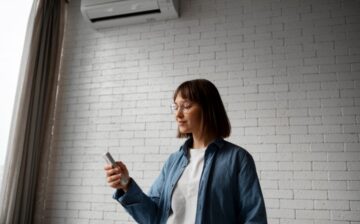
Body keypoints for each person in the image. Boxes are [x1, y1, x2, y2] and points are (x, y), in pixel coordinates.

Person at [104, 79, 267, 224]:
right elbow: (153, 217)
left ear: (208, 108)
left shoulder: (238, 159)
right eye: (175, 107)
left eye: (186, 106)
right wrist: (126, 185)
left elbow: (254, 217)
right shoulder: (174, 161)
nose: (178, 114)